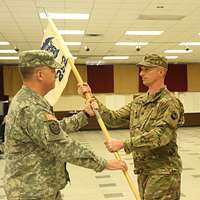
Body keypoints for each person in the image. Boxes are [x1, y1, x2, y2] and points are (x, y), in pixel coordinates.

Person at [4, 50, 128, 200]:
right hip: (31, 192)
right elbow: (62, 145)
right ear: (40, 75)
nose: (56, 74)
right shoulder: (31, 108)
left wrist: (85, 115)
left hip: (39, 189)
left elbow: (55, 130)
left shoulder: (31, 101)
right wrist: (103, 163)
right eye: (52, 70)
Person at [78, 54, 185, 200]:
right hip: (144, 171)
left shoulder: (169, 102)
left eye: (147, 69)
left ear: (161, 72)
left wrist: (123, 144)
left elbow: (160, 136)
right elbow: (113, 118)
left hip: (163, 173)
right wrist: (90, 97)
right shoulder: (139, 101)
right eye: (141, 69)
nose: (141, 73)